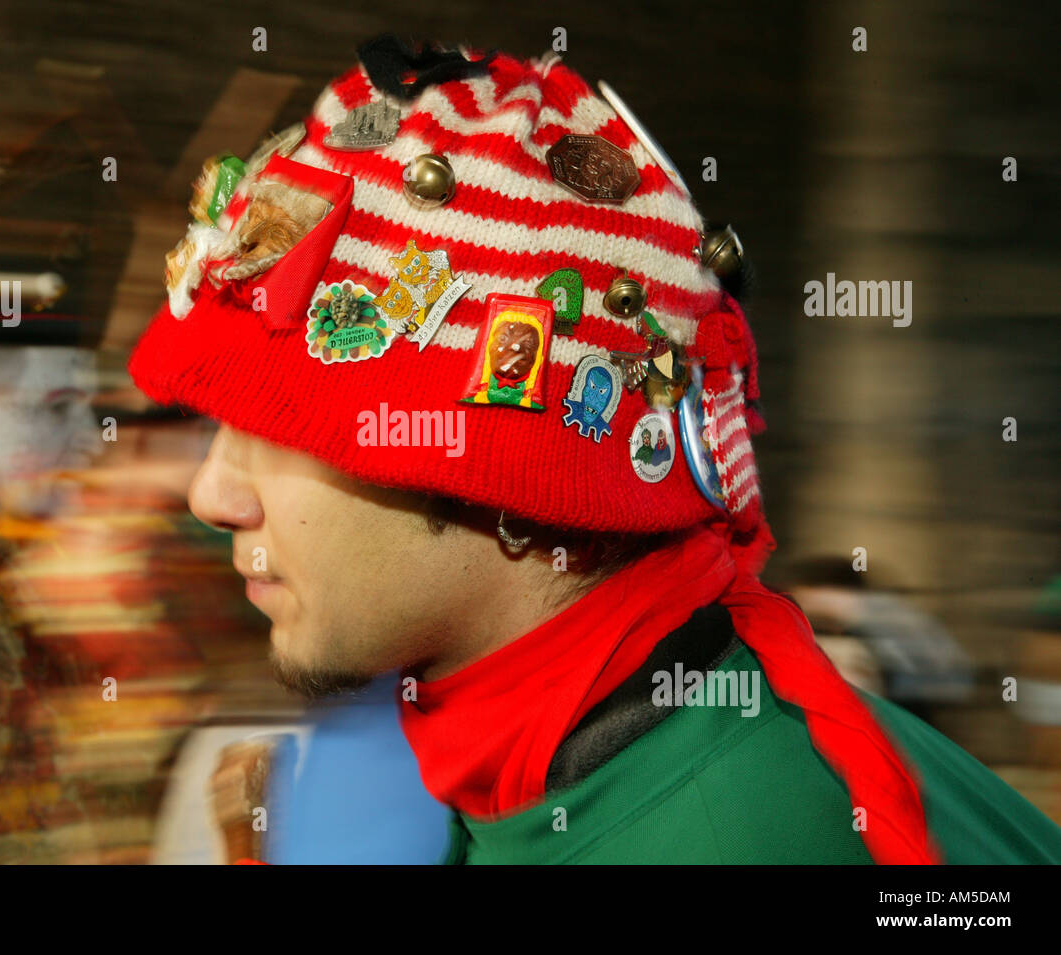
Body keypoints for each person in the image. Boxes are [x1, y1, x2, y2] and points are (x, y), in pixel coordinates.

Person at [128, 34, 1061, 863]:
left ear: (506, 479)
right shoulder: (551, 764)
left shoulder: (732, 837)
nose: (212, 494)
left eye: (280, 422)